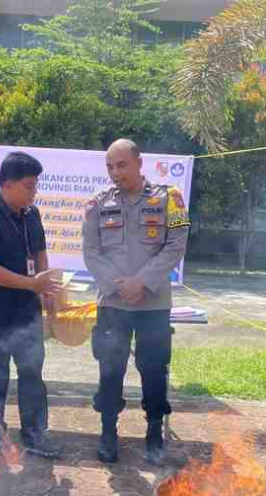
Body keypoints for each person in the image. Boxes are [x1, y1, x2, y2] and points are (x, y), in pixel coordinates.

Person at [82, 139, 190, 466]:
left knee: (154, 370)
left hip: (153, 304)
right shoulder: (97, 205)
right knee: (110, 369)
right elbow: (91, 252)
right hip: (113, 304)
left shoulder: (168, 199)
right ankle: (107, 432)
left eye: (122, 165)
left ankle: (155, 431)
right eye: (110, 167)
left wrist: (141, 282)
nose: (116, 173)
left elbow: (175, 245)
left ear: (139, 163)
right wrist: (122, 285)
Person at [0, 151, 63, 460]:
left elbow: (40, 251)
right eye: (28, 186)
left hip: (26, 314)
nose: (33, 192)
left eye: (35, 186)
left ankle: (35, 434)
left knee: (32, 373)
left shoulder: (31, 214)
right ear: (7, 184)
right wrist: (31, 284)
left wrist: (46, 289)